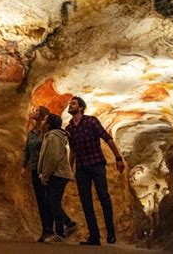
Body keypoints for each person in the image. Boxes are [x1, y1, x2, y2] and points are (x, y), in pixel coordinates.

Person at [66, 96, 125, 246]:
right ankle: (94, 237)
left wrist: (118, 158)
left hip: (97, 164)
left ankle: (111, 233)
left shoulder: (91, 121)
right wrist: (69, 167)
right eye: (70, 104)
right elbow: (72, 149)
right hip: (81, 168)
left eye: (73, 103)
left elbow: (107, 138)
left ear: (80, 107)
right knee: (86, 202)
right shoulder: (69, 128)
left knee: (103, 197)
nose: (70, 105)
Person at [21, 107, 77, 242]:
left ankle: (56, 230)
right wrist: (24, 166)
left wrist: (45, 174)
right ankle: (55, 229)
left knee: (50, 201)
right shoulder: (33, 133)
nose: (32, 112)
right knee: (46, 201)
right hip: (37, 169)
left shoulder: (50, 135)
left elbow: (51, 156)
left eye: (36, 111)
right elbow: (27, 150)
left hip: (47, 171)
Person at [37, 113, 75, 243]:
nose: (42, 122)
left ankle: (60, 233)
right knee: (51, 201)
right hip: (57, 174)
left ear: (49, 124)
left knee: (54, 202)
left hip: (58, 174)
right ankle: (68, 224)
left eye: (44, 120)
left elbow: (52, 158)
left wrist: (45, 175)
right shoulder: (51, 136)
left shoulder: (53, 137)